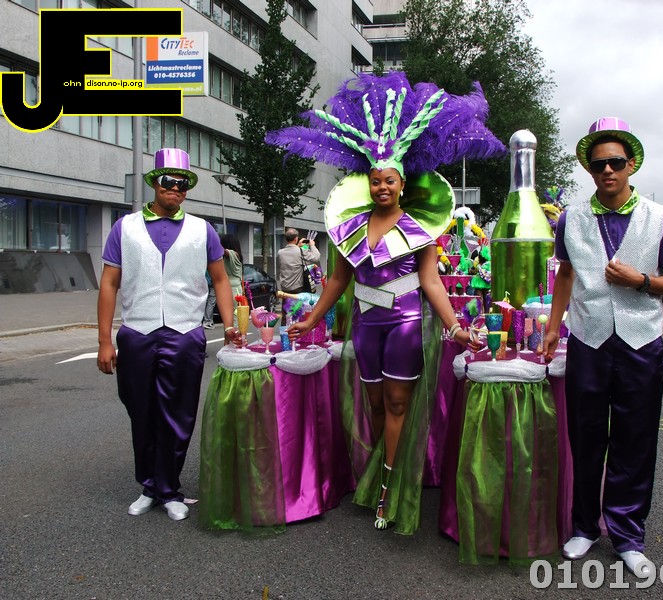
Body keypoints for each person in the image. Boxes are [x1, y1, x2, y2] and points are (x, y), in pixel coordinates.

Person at [265, 71, 504, 533]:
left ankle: (389, 489)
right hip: (366, 325)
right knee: (375, 404)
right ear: (368, 184)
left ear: (402, 183)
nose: (382, 188)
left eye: (389, 181)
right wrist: (311, 318)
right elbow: (338, 280)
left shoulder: (420, 227)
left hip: (406, 323)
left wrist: (455, 326)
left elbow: (431, 282)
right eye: (375, 181)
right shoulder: (349, 227)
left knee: (397, 403)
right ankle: (382, 469)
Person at [540, 118, 663, 576]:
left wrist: (641, 280)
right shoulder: (571, 218)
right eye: (599, 163)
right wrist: (553, 326)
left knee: (634, 440)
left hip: (641, 342)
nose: (608, 170)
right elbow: (566, 274)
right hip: (588, 339)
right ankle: (584, 527)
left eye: (616, 162)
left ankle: (627, 535)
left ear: (631, 166)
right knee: (585, 437)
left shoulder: (659, 218)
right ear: (589, 169)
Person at [97, 148, 239, 522]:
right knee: (140, 411)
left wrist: (229, 326)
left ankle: (169, 488)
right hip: (137, 332)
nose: (175, 188)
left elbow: (221, 280)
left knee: (179, 414)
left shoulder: (202, 230)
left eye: (182, 183)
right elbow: (109, 284)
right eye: (168, 181)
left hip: (184, 333)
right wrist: (104, 341)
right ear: (154, 182)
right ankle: (149, 486)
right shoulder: (124, 228)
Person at [277, 228, 320, 294]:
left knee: (286, 300)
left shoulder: (280, 252)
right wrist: (312, 245)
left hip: (284, 288)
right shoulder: (300, 251)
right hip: (297, 288)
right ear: (296, 239)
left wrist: (297, 246)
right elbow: (316, 257)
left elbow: (292, 254)